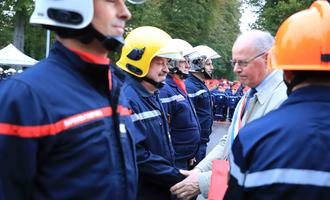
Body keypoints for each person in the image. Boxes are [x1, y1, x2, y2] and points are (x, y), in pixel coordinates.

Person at [0, 0, 142, 199]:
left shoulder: (114, 85)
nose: (126, 13)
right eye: (111, 1)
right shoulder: (25, 96)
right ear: (70, 5)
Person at [226, 1, 330, 199]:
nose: (236, 69)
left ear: (285, 69)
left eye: (242, 62)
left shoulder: (254, 137)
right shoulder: (248, 100)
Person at [171, 30, 288, 199]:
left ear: (267, 58)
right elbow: (229, 141)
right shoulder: (251, 94)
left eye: (243, 62)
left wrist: (202, 182)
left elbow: (264, 163)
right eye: (234, 62)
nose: (236, 69)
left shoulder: (282, 99)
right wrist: (199, 171)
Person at [116, 26, 185, 200]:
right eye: (160, 62)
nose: (166, 69)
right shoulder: (126, 99)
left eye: (167, 63)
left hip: (156, 189)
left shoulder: (151, 93)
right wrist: (176, 177)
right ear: (139, 61)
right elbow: (137, 155)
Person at [159, 39, 201, 170]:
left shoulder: (180, 86)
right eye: (183, 61)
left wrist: (191, 153)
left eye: (188, 62)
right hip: (174, 161)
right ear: (172, 63)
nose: (188, 65)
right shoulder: (165, 90)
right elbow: (163, 131)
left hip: (185, 158)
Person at [185, 45, 221, 163]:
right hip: (195, 145)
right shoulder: (190, 87)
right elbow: (187, 121)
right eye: (208, 64)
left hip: (201, 143)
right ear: (197, 64)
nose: (212, 67)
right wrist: (191, 150)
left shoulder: (199, 84)